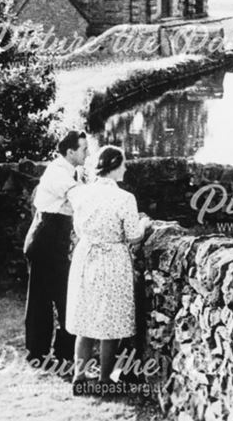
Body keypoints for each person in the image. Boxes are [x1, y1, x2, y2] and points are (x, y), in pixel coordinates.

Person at [66, 145, 150, 384]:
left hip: (86, 255)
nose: (125, 168)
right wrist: (144, 224)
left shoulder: (81, 194)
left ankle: (79, 377)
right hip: (111, 259)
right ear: (113, 166)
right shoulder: (124, 198)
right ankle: (104, 379)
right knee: (109, 321)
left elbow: (78, 229)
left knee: (85, 316)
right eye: (122, 164)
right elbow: (134, 236)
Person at [24, 130, 88, 367]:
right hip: (45, 239)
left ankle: (53, 351)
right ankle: (42, 353)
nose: (87, 153)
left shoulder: (71, 170)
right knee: (50, 297)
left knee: (58, 295)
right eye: (84, 149)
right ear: (70, 152)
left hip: (51, 239)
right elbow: (78, 196)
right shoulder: (57, 173)